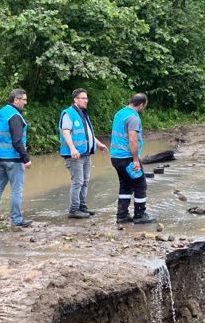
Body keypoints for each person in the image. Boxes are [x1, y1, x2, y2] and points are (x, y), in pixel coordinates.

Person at [0, 88, 32, 227]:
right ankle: (16, 219)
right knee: (16, 189)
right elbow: (17, 141)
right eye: (24, 100)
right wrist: (26, 159)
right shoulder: (15, 116)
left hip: (0, 157)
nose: (25, 103)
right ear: (16, 100)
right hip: (13, 159)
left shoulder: (1, 112)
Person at [59, 88, 108, 218]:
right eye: (83, 98)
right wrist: (73, 149)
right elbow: (66, 132)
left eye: (86, 98)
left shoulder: (83, 114)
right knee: (78, 181)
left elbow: (88, 134)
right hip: (75, 155)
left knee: (85, 181)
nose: (86, 100)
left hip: (85, 154)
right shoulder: (68, 113)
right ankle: (74, 210)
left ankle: (82, 206)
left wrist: (98, 144)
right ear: (75, 99)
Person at [110, 93, 154, 224]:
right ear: (141, 105)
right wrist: (135, 160)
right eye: (144, 106)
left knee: (125, 185)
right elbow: (133, 140)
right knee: (140, 185)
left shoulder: (119, 113)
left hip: (115, 157)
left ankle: (122, 216)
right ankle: (139, 215)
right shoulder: (133, 117)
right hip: (127, 158)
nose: (143, 109)